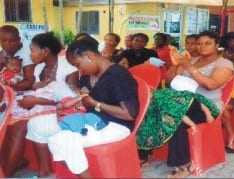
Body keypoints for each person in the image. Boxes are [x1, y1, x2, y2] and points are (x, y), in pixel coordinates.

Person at [28, 37, 139, 178]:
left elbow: (129, 114)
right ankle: (48, 171)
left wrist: (94, 103)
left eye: (79, 65)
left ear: (89, 56)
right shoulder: (88, 76)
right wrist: (76, 99)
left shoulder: (119, 75)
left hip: (116, 125)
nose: (79, 70)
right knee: (37, 125)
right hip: (87, 118)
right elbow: (86, 103)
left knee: (61, 140)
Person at [1, 32, 77, 177]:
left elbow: (71, 100)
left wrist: (35, 100)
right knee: (8, 123)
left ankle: (6, 174)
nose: (30, 55)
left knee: (19, 127)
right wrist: (32, 96)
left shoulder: (68, 68)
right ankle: (10, 165)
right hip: (42, 106)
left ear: (46, 51)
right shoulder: (39, 68)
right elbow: (37, 88)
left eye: (32, 50)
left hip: (62, 111)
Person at [161, 30, 234, 178]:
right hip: (184, 102)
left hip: (208, 106)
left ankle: (184, 165)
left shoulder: (224, 63)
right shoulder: (191, 60)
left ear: (217, 45)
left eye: (208, 43)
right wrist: (175, 66)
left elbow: (211, 85)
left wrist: (189, 68)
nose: (202, 46)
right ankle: (148, 153)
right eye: (199, 43)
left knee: (175, 115)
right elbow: (170, 81)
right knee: (158, 108)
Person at [0, 25, 35, 91]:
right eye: (3, 41)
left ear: (19, 40)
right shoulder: (2, 51)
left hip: (22, 91)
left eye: (12, 41)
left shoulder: (26, 52)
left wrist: (6, 88)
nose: (7, 44)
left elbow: (30, 82)